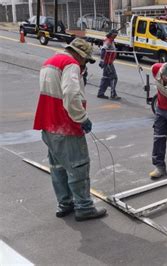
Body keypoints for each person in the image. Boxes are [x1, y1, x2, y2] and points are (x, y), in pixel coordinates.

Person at [33, 38, 107, 221]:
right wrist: (82, 118)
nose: (84, 65)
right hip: (65, 125)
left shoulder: (50, 62)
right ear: (80, 55)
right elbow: (71, 94)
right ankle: (84, 207)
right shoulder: (71, 64)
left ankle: (65, 203)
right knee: (78, 166)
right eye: (85, 60)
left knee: (58, 167)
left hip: (48, 125)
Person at [98, 29, 121, 100]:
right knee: (114, 78)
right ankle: (113, 94)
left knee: (105, 78)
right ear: (111, 34)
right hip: (108, 63)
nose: (116, 36)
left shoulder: (111, 41)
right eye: (115, 35)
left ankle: (101, 93)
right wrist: (102, 61)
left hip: (109, 62)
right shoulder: (108, 41)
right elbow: (103, 50)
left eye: (116, 35)